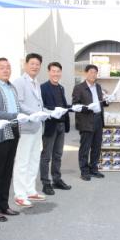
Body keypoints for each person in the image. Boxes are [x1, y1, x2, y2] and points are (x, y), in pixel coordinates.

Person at [0, 57, 28, 222]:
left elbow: (17, 107)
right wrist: (14, 116)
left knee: (7, 171)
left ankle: (3, 204)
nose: (6, 70)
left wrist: (27, 115)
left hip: (13, 131)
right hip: (0, 134)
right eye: (1, 67)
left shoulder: (11, 87)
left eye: (8, 67)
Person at [12, 53, 50, 207]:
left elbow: (39, 105)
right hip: (26, 128)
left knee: (34, 159)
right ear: (25, 64)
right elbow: (19, 104)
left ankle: (30, 190)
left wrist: (48, 112)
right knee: (22, 161)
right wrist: (35, 113)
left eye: (37, 64)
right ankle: (20, 195)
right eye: (32, 63)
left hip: (37, 126)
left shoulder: (36, 82)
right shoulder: (19, 82)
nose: (35, 66)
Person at [72, 64, 110, 181]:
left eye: (95, 72)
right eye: (91, 72)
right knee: (85, 148)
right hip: (86, 120)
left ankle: (94, 169)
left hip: (98, 119)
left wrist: (106, 102)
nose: (93, 74)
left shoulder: (98, 87)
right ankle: (84, 171)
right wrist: (88, 108)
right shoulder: (79, 88)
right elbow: (75, 105)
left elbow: (100, 102)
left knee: (96, 147)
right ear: (86, 73)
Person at [40, 62, 73, 195]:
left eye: (58, 71)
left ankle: (57, 180)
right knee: (46, 156)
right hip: (50, 125)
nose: (56, 74)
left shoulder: (61, 88)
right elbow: (42, 106)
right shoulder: (43, 88)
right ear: (49, 72)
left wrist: (72, 107)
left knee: (58, 155)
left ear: (60, 73)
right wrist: (55, 109)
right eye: (53, 71)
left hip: (61, 125)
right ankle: (45, 183)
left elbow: (63, 105)